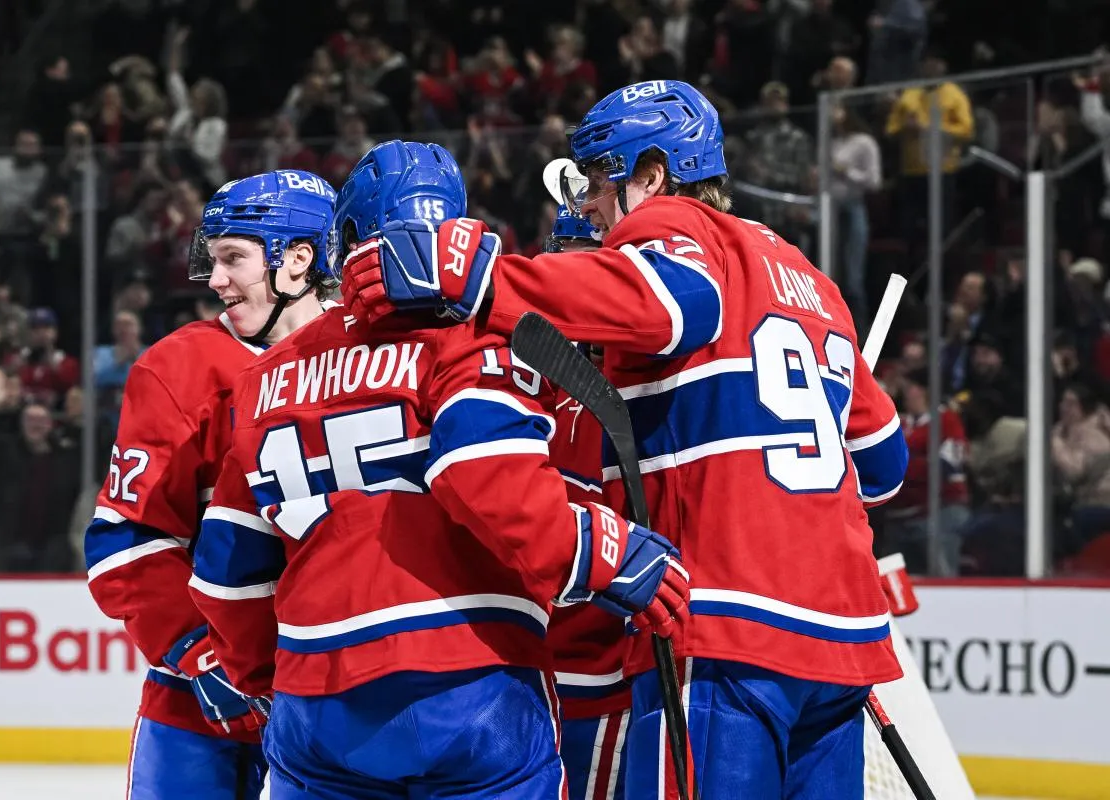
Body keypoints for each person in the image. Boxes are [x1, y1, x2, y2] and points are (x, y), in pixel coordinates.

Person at [341, 79, 909, 799]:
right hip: (841, 636)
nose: (587, 206)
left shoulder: (671, 224)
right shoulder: (809, 277)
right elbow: (886, 465)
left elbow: (677, 306)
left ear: (653, 175)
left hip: (727, 622)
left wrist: (479, 278)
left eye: (599, 182)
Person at [189, 140, 688, 799]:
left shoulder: (263, 378)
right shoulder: (470, 338)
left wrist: (265, 677)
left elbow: (227, 576)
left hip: (317, 699)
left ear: (342, 242)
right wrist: (609, 553)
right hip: (472, 678)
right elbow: (484, 472)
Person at [83, 169, 338, 800]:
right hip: (201, 703)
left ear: (298, 259)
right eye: (213, 259)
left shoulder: (372, 355)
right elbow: (126, 541)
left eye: (233, 259)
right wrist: (202, 656)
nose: (216, 280)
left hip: (338, 695)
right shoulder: (178, 368)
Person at [540, 193, 633, 800]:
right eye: (563, 268)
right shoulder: (527, 383)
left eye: (589, 268)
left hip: (601, 680)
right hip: (524, 676)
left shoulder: (640, 394)